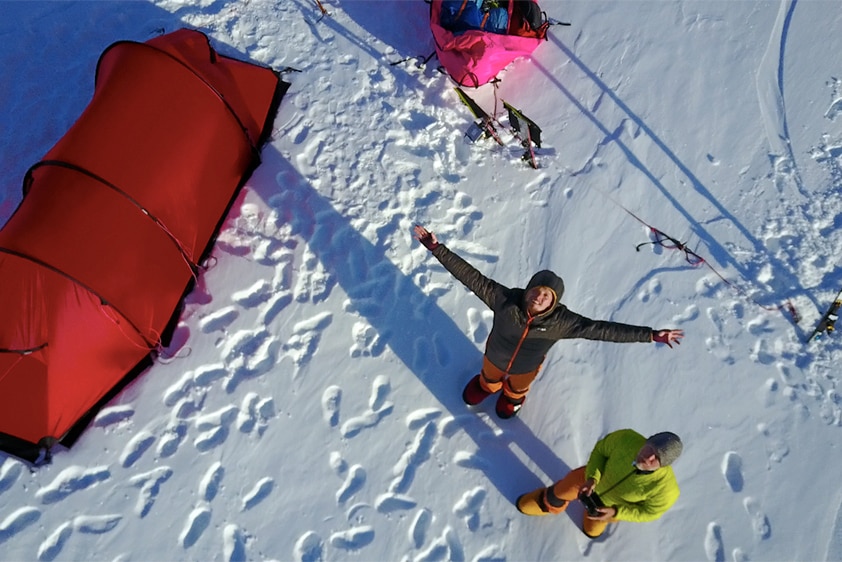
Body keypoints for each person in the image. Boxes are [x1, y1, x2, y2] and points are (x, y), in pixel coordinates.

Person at [413, 224, 684, 418]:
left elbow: (604, 330)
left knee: (517, 387)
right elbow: (470, 276)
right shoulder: (504, 299)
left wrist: (650, 335)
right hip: (494, 357)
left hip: (525, 368)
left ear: (554, 301)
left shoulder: (563, 322)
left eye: (547, 295)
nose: (539, 296)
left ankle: (512, 399)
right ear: (528, 290)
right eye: (536, 290)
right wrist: (437, 248)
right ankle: (487, 386)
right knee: (489, 378)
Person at [516, 429, 683, 539]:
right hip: (586, 481)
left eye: (656, 459)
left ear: (664, 466)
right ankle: (547, 502)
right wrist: (592, 478)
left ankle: (594, 518)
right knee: (561, 491)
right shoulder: (626, 438)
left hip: (608, 507)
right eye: (649, 449)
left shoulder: (666, 490)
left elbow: (649, 513)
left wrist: (616, 512)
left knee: (592, 530)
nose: (648, 458)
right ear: (647, 441)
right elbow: (600, 451)